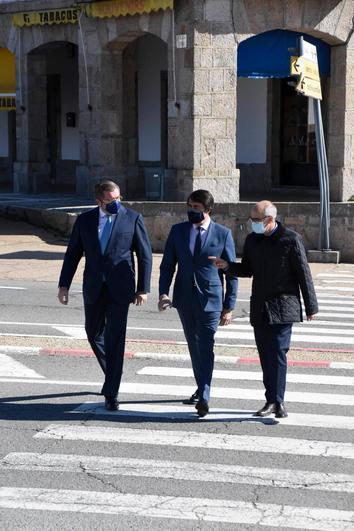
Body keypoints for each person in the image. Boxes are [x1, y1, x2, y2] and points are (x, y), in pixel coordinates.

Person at [214, 200, 318, 418]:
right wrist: (228, 266)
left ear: (270, 219)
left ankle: (278, 401)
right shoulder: (253, 240)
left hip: (283, 305)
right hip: (260, 306)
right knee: (265, 355)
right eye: (251, 220)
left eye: (256, 220)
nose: (253, 224)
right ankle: (270, 400)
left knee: (278, 353)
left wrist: (311, 306)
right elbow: (248, 269)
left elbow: (303, 274)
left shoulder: (290, 239)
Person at [58, 179, 152, 411]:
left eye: (119, 199)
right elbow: (72, 255)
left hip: (121, 288)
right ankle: (113, 371)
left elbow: (145, 255)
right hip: (94, 287)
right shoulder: (85, 220)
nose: (117, 203)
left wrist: (143, 288)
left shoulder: (132, 218)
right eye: (111, 200)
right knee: (93, 333)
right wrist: (64, 285)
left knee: (115, 338)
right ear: (99, 201)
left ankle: (111, 392)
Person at [158, 189, 238, 417]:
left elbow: (231, 273)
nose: (192, 211)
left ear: (208, 209)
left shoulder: (223, 234)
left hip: (211, 301)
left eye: (197, 208)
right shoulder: (178, 231)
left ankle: (204, 395)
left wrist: (229, 306)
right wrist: (163, 293)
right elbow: (167, 266)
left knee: (206, 346)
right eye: (190, 207)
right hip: (184, 299)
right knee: (194, 347)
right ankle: (201, 386)